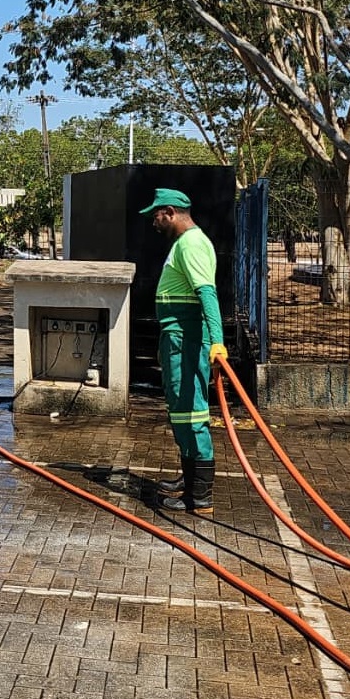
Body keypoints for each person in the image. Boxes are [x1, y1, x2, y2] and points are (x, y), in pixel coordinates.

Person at [141, 188, 228, 514]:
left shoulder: (191, 244)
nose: (154, 222)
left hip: (188, 340)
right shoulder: (186, 243)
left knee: (191, 413)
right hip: (178, 339)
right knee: (181, 410)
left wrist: (217, 341)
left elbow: (208, 295)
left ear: (170, 212)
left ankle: (199, 497)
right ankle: (190, 480)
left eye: (156, 215)